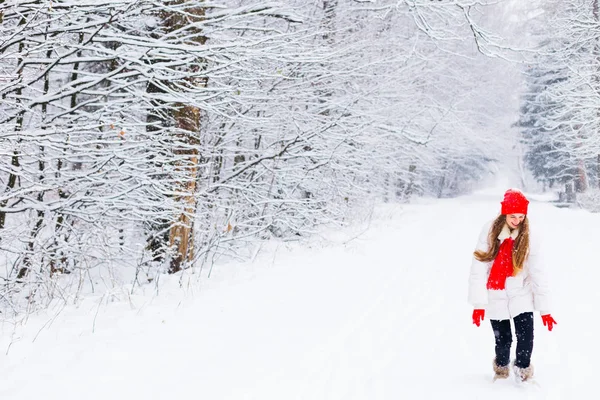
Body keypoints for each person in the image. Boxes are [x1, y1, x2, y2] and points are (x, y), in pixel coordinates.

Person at [468, 189, 557, 383]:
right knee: (503, 340)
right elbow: (479, 267)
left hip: (521, 293)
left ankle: (523, 371)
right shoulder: (490, 231)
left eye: (521, 216)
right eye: (512, 216)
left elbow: (537, 272)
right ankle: (501, 370)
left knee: (526, 338)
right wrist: (479, 304)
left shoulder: (530, 235)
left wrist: (545, 309)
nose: (517, 220)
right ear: (504, 214)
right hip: (495, 293)